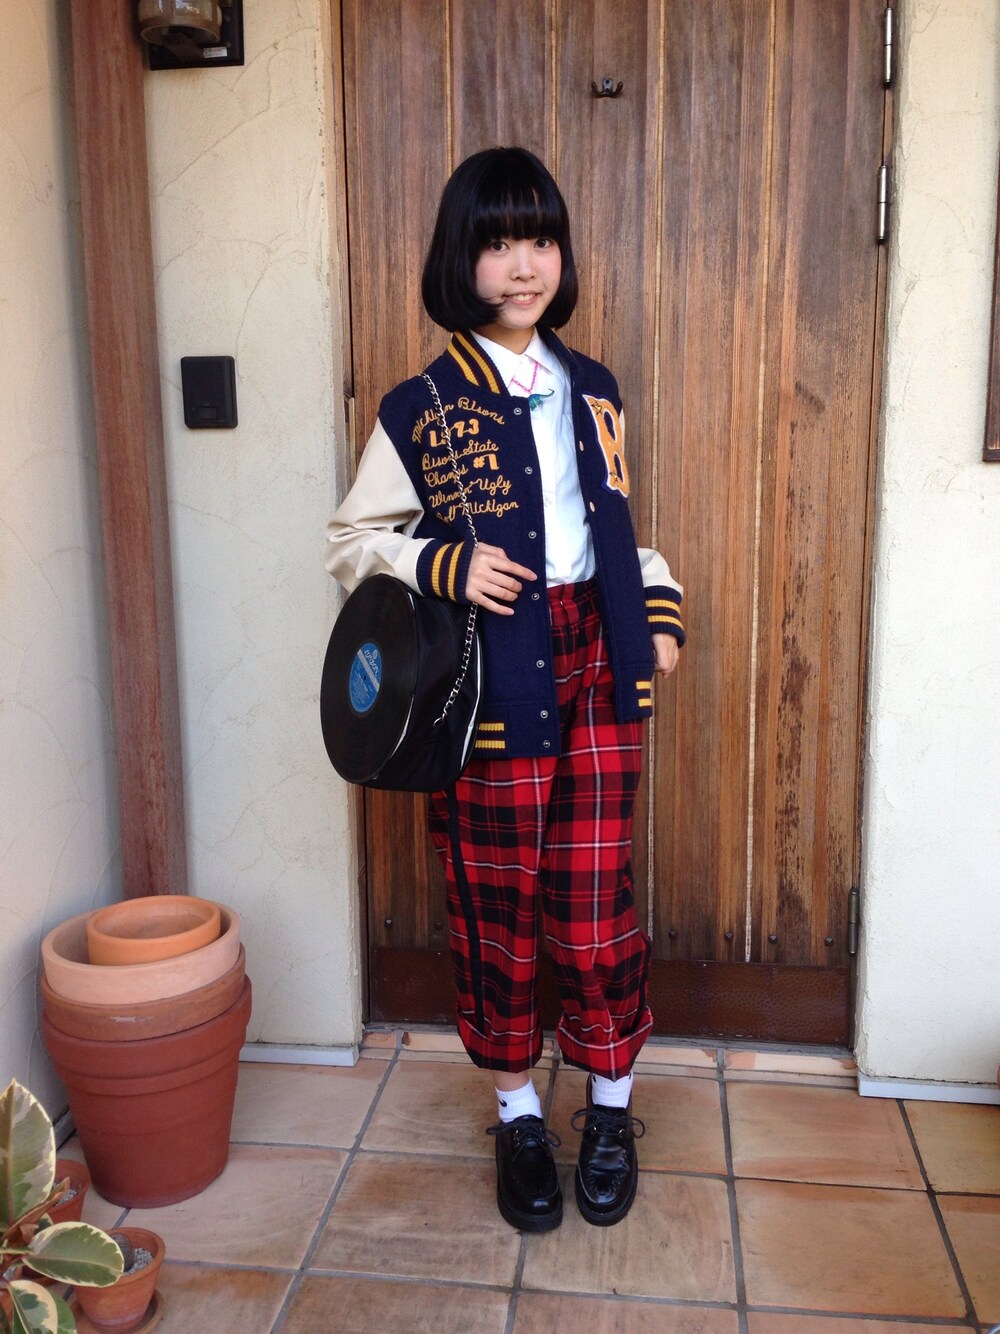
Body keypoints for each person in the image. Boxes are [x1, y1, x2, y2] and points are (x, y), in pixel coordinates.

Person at [326, 146, 684, 1233]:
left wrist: (655, 610)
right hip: (489, 683)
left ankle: (610, 1108)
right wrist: (442, 562)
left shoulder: (595, 388)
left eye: (539, 240)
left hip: (599, 665)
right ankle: (519, 1114)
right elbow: (351, 541)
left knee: (594, 904)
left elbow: (609, 529)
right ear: (460, 259)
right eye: (496, 244)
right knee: (497, 907)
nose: (522, 265)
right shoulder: (422, 406)